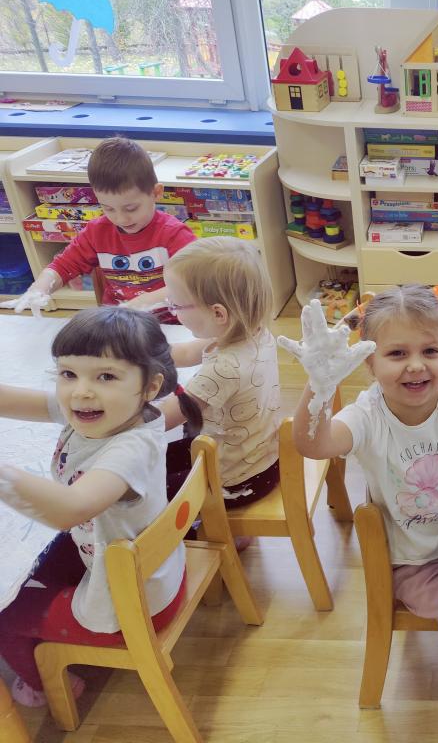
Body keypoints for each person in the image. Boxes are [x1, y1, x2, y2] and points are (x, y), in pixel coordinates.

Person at [279, 285, 438, 620]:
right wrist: (318, 388)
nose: (416, 365)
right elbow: (313, 445)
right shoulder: (366, 416)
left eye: (431, 351)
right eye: (397, 354)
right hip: (413, 562)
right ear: (369, 361)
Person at [0, 307, 203, 706]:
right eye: (67, 373)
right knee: (27, 569)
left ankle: (45, 689)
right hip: (142, 568)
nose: (81, 391)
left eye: (106, 376)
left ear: (150, 386)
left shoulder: (130, 448)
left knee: (6, 613)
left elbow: (71, 509)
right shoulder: (111, 411)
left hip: (136, 604)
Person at [1, 137, 195, 319]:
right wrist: (39, 288)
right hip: (118, 321)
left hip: (172, 321)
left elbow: (194, 281)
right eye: (108, 208)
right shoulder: (97, 232)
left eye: (131, 208)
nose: (121, 219)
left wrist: (141, 303)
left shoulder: (174, 234)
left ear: (156, 193)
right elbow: (62, 266)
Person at [160, 237, 282, 508]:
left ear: (218, 313)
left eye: (176, 305)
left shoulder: (223, 369)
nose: (173, 312)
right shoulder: (252, 334)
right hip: (260, 460)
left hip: (234, 482)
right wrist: (138, 354)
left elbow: (163, 420)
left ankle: (199, 526)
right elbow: (185, 353)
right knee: (154, 461)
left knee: (143, 491)